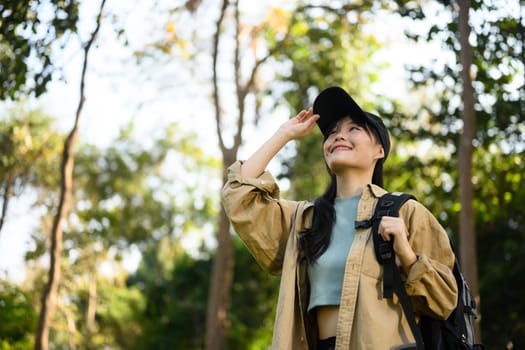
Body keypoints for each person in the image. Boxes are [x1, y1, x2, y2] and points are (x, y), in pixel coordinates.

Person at [221, 86, 458, 349]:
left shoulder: (407, 212)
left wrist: (406, 254)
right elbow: (240, 196)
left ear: (379, 150)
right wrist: (283, 135)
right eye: (332, 132)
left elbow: (445, 300)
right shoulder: (304, 220)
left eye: (353, 129)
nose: (338, 136)